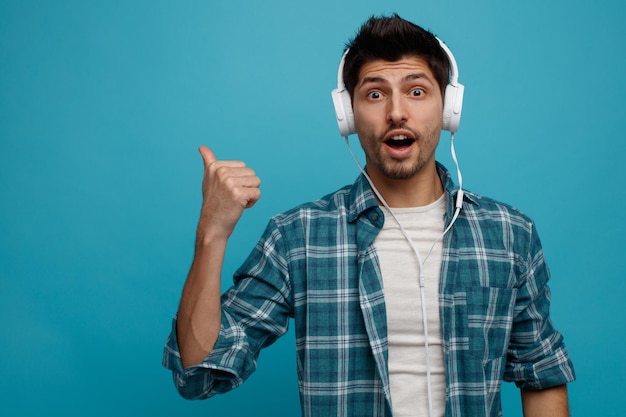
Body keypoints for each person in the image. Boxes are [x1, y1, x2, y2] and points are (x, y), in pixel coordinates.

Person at [163, 14, 575, 417]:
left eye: (417, 91)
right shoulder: (298, 236)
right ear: (348, 116)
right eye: (375, 94)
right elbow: (200, 372)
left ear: (449, 109)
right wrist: (211, 234)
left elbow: (540, 375)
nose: (397, 112)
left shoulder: (509, 234)